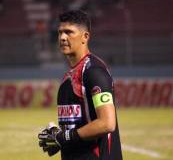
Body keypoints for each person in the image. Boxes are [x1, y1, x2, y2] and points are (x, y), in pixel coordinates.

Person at [38, 10, 123, 160]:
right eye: (60, 33)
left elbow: (107, 123)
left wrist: (65, 137)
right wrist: (59, 139)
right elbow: (75, 128)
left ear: (85, 37)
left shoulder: (94, 72)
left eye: (69, 32)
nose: (62, 37)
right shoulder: (68, 76)